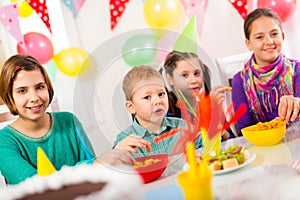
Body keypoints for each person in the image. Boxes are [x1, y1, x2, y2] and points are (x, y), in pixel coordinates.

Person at [0, 55, 135, 185]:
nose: (34, 97)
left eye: (40, 87)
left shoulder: (69, 121)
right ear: (9, 97)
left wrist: (114, 152)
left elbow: (93, 171)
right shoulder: (4, 141)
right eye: (22, 91)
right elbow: (36, 186)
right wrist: (94, 164)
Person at [232, 8, 300, 136]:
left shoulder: (297, 69)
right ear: (248, 44)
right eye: (259, 37)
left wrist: (297, 103)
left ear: (283, 36)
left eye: (274, 34)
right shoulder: (239, 81)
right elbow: (245, 131)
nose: (269, 41)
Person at [113, 65, 203, 158]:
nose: (158, 101)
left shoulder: (183, 126)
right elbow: (114, 165)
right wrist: (118, 151)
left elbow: (209, 146)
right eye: (147, 97)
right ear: (131, 107)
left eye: (161, 94)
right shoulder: (125, 139)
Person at [162, 51, 235, 140]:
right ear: (170, 79)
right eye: (184, 75)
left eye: (197, 73)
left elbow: (232, 140)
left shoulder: (210, 106)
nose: (194, 80)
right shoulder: (168, 116)